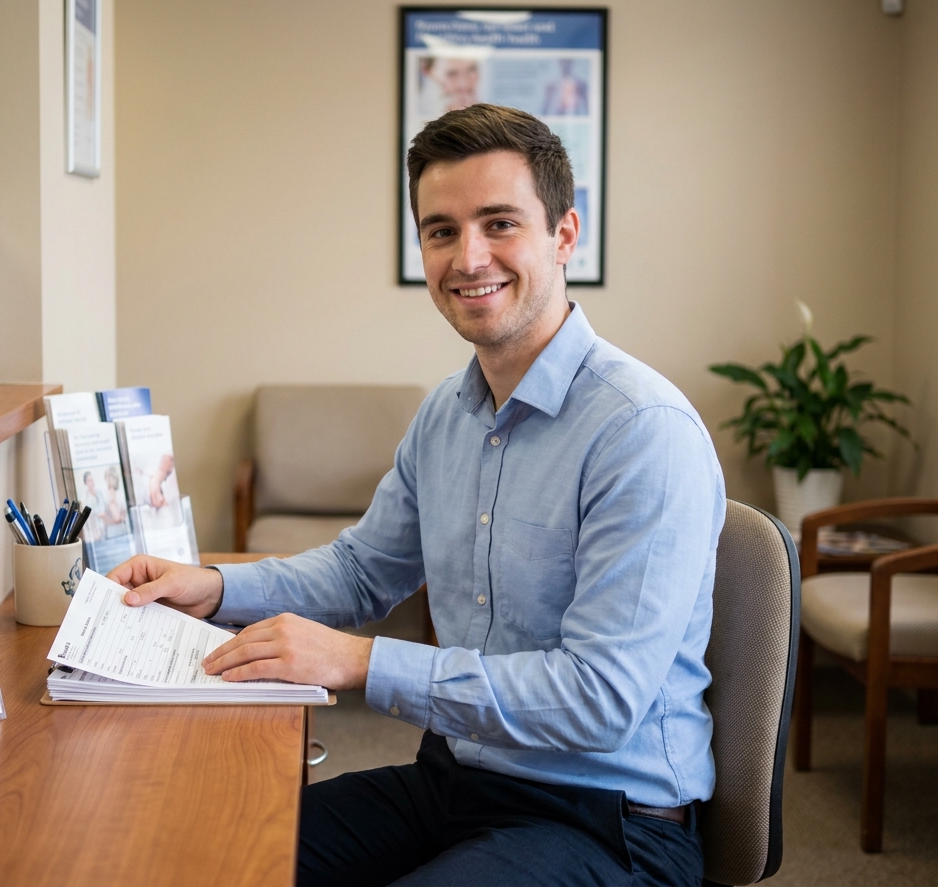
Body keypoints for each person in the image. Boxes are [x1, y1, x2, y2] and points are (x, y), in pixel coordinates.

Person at [109, 103, 725, 886]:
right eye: (441, 230)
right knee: (209, 856)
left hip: (607, 820)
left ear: (565, 235)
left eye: (499, 223)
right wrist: (217, 586)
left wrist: (364, 663)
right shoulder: (448, 413)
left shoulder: (642, 430)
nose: (469, 257)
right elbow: (361, 572)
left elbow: (600, 699)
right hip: (457, 782)